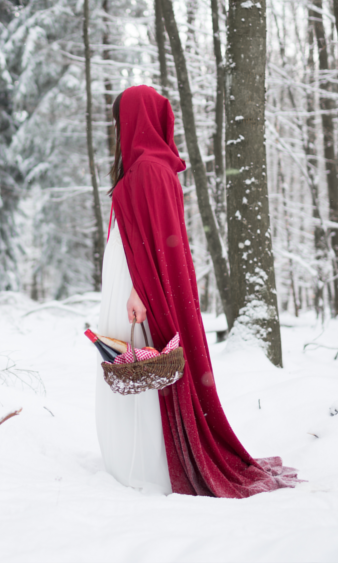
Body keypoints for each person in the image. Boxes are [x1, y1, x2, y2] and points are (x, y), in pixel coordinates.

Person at [95, 85, 299, 498]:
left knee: (142, 365)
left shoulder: (150, 169)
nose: (119, 129)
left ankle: (151, 464)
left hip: (136, 290)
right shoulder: (145, 167)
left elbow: (156, 246)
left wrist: (141, 292)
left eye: (122, 120)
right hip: (129, 284)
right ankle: (137, 459)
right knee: (129, 364)